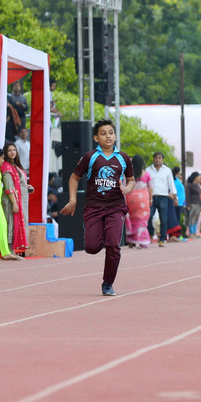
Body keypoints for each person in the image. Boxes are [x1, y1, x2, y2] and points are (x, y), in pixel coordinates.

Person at [61, 120, 135, 295]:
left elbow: (131, 180)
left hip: (116, 207)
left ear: (115, 136)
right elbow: (74, 177)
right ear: (96, 137)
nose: (107, 136)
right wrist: (73, 201)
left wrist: (126, 188)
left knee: (113, 246)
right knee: (92, 247)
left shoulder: (123, 158)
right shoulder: (90, 157)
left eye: (110, 133)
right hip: (94, 207)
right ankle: (101, 236)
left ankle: (107, 283)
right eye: (103, 133)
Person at [1, 142, 31, 256]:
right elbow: (8, 187)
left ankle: (17, 251)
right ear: (5, 153)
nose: (12, 152)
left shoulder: (17, 166)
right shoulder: (6, 167)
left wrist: (28, 187)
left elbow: (20, 183)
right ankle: (9, 251)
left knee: (19, 224)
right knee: (11, 224)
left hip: (22, 200)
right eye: (9, 150)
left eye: (14, 150)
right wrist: (14, 203)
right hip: (11, 201)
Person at [147, 151, 180, 245]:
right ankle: (150, 233)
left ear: (162, 159)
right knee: (149, 217)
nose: (157, 159)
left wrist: (175, 197)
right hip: (151, 197)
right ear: (153, 159)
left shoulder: (167, 170)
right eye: (156, 158)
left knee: (163, 218)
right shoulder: (148, 170)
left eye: (159, 158)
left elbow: (171, 185)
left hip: (163, 197)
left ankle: (162, 239)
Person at [124, 154, 152, 249]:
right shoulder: (147, 174)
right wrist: (151, 198)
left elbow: (125, 186)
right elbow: (150, 188)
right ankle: (139, 241)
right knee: (141, 220)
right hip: (143, 200)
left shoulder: (128, 174)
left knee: (133, 219)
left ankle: (132, 241)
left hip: (131, 199)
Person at [185, 171, 201, 237]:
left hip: (198, 203)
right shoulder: (189, 185)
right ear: (195, 177)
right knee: (191, 218)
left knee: (196, 218)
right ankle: (191, 232)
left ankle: (195, 232)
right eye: (199, 177)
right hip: (192, 203)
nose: (200, 178)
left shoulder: (197, 185)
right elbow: (187, 195)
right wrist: (188, 205)